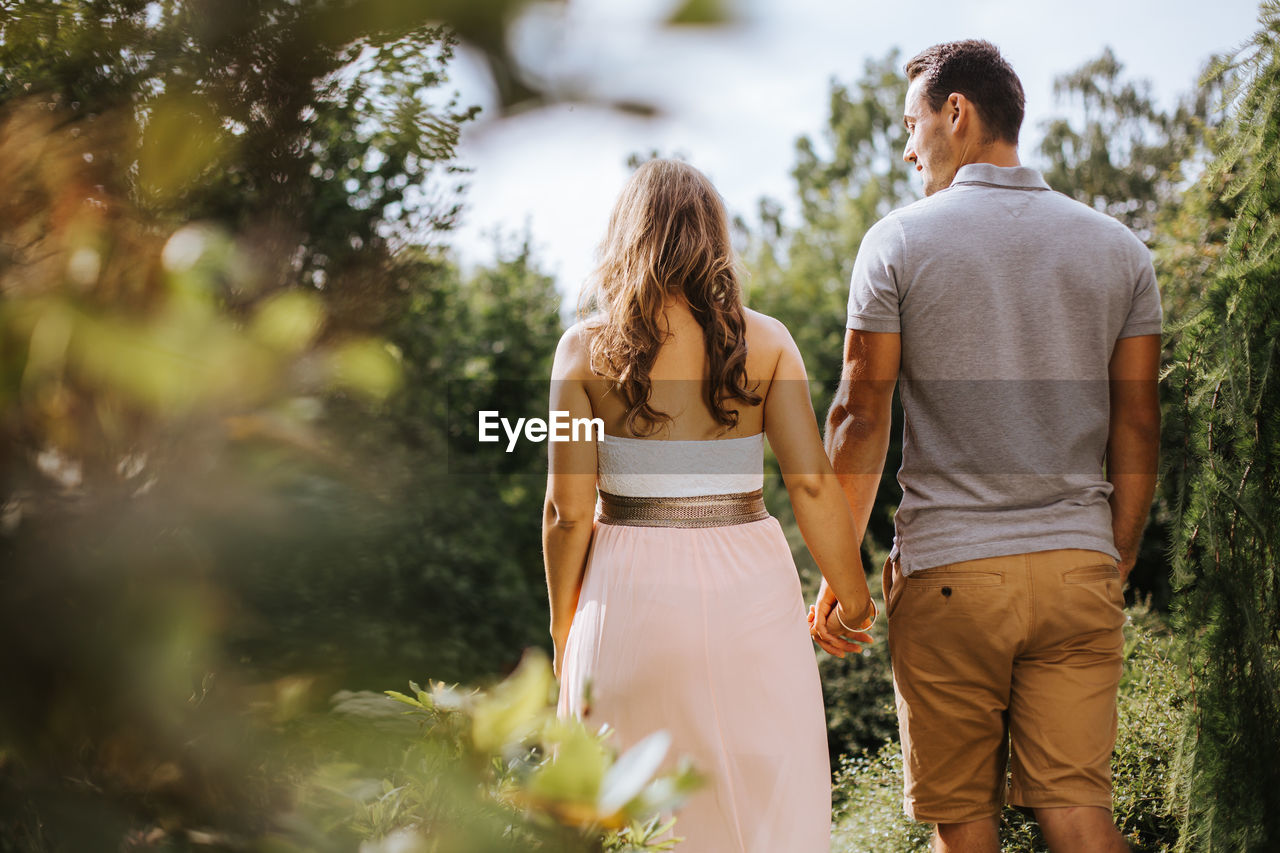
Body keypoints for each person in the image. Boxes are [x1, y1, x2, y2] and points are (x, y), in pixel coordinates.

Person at [810, 40, 1162, 853]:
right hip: (1078, 566)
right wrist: (1111, 554)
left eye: (911, 124)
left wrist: (838, 567)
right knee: (1080, 817)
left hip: (950, 578)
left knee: (965, 833)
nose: (907, 148)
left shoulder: (896, 243)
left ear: (955, 112)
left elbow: (861, 414)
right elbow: (1139, 424)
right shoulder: (1120, 250)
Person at [545, 158, 875, 851]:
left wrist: (564, 631)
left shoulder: (582, 351)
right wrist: (851, 596)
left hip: (625, 601)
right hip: (750, 599)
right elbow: (810, 483)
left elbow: (567, 513)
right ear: (714, 239)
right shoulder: (769, 341)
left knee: (627, 810)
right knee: (762, 810)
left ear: (627, 238)